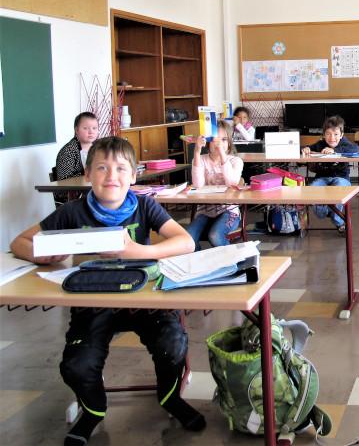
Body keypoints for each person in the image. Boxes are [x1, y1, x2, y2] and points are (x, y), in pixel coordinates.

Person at [10, 136, 203, 445]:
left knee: (173, 345)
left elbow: (185, 241)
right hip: (93, 302)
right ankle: (93, 410)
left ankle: (170, 398)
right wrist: (40, 254)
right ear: (88, 174)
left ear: (133, 175)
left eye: (120, 168)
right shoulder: (73, 211)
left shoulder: (144, 205)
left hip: (144, 299)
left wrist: (135, 251)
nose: (111, 176)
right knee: (77, 364)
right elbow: (19, 241)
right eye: (101, 168)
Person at [188, 120, 243, 249]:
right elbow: (197, 184)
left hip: (229, 211)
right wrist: (196, 152)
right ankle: (202, 262)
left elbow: (232, 182)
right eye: (214, 139)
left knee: (215, 236)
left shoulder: (235, 161)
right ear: (207, 141)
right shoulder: (200, 160)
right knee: (187, 239)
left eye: (224, 139)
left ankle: (232, 261)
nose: (219, 143)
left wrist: (222, 155)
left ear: (229, 142)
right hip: (205, 212)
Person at [301, 115, 359, 233]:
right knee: (311, 190)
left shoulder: (345, 144)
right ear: (323, 135)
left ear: (342, 135)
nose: (332, 138)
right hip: (322, 178)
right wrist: (305, 149)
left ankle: (338, 220)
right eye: (328, 134)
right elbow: (304, 148)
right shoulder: (320, 144)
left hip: (341, 178)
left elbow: (356, 149)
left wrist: (335, 151)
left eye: (336, 134)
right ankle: (327, 210)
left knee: (338, 186)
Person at [55, 111, 99, 180]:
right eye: (85, 128)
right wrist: (87, 173)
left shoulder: (99, 147)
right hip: (77, 190)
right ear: (76, 130)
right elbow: (64, 180)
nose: (91, 132)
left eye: (94, 128)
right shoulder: (68, 151)